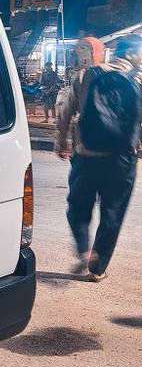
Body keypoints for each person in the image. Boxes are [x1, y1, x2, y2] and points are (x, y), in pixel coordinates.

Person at [55, 34, 142, 281]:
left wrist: (61, 143)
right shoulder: (139, 79)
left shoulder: (86, 75)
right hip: (122, 160)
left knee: (77, 207)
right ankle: (97, 268)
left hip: (86, 155)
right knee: (113, 214)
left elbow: (65, 111)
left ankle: (84, 249)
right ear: (135, 55)